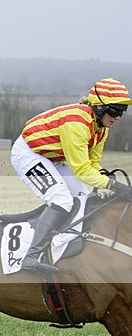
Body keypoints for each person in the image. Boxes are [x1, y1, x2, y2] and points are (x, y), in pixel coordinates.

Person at [11, 78, 132, 273]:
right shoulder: (77, 123)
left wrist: (106, 179)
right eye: (115, 110)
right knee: (61, 200)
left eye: (122, 112)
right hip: (29, 154)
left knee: (82, 198)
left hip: (54, 158)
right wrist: (114, 186)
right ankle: (30, 256)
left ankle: (64, 241)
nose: (118, 117)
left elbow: (93, 164)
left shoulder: (101, 128)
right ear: (99, 107)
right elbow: (82, 170)